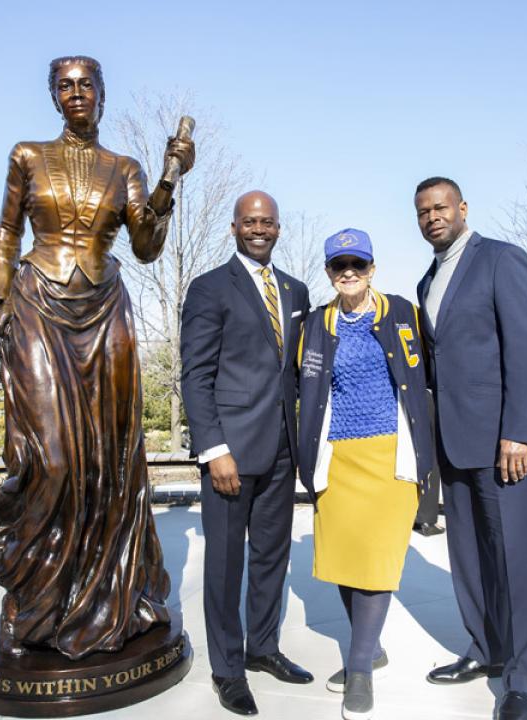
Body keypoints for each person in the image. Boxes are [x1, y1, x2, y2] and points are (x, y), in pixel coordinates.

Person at [0, 56, 195, 660]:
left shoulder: (122, 167)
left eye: (86, 85)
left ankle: (96, 600)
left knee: (105, 464)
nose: (76, 94)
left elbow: (147, 245)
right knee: (49, 458)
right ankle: (19, 585)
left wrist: (170, 176)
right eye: (65, 86)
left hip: (105, 313)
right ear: (55, 97)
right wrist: (0, 296)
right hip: (37, 306)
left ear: (102, 96)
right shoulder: (27, 155)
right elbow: (5, 232)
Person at [414, 177, 527, 720]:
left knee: (513, 561)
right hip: (455, 442)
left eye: (441, 207)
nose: (432, 217)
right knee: (468, 557)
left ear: (462, 208)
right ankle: (486, 649)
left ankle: (522, 682)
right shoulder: (428, 279)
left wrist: (517, 430)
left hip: (504, 444)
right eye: (422, 211)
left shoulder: (501, 260)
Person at [180, 191, 312, 716]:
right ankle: (228, 670)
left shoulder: (296, 290)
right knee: (226, 564)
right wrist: (214, 449)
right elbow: (196, 375)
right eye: (250, 221)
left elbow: (301, 371)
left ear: (279, 228)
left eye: (269, 222)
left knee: (271, 558)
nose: (260, 229)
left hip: (283, 449)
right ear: (234, 227)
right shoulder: (210, 288)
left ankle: (262, 648)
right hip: (231, 453)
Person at [297, 229, 434, 720]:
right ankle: (369, 645)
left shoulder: (403, 314)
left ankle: (359, 666)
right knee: (344, 559)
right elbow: (303, 387)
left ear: (372, 268)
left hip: (391, 455)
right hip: (337, 456)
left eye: (357, 263)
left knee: (376, 561)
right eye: (339, 265)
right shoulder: (316, 324)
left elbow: (429, 375)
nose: (348, 272)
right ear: (330, 273)